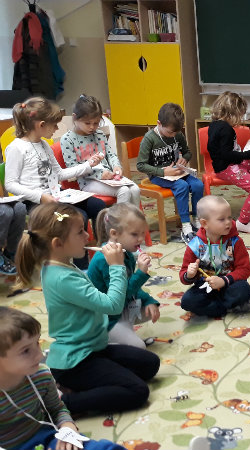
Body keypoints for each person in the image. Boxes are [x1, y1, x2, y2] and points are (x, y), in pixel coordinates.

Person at [15, 203, 160, 415]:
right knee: (138, 391)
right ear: (58, 243)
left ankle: (87, 384)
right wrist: (117, 267)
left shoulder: (62, 264)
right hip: (75, 361)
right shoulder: (62, 278)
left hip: (94, 348)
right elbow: (112, 306)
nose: (87, 236)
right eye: (80, 231)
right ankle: (61, 403)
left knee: (150, 363)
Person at [0, 307, 126, 450]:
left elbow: (57, 409)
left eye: (37, 343)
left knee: (101, 448)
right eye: (25, 351)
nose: (40, 355)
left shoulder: (41, 376)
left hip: (48, 437)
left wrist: (68, 427)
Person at [5, 97, 106, 270]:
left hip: (55, 195)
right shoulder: (16, 148)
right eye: (55, 125)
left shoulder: (44, 145)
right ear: (41, 125)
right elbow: (10, 184)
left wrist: (88, 165)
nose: (57, 129)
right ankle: (82, 268)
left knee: (99, 206)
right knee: (79, 217)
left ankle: (103, 253)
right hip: (33, 202)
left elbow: (59, 174)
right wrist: (40, 196)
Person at [87, 203, 160, 349]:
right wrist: (140, 273)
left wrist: (148, 300)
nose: (141, 239)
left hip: (119, 309)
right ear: (114, 234)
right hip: (104, 319)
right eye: (134, 234)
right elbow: (119, 296)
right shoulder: (104, 260)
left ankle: (123, 331)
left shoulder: (126, 253)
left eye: (142, 233)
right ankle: (106, 340)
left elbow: (129, 287)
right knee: (139, 348)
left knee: (151, 309)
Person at [207, 91, 250, 233]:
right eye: (240, 115)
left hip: (235, 163)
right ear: (233, 113)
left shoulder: (216, 125)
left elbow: (225, 151)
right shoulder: (225, 129)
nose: (241, 118)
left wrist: (243, 155)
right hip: (227, 168)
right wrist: (247, 154)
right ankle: (242, 222)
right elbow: (226, 155)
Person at [136, 102, 204, 244]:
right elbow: (141, 165)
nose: (173, 135)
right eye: (169, 132)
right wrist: (162, 171)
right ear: (159, 123)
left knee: (198, 185)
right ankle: (186, 226)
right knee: (182, 187)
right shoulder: (149, 139)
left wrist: (185, 159)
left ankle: (197, 219)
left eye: (175, 133)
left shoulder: (177, 134)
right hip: (158, 175)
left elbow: (187, 152)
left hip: (178, 172)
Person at [179, 195, 250, 317]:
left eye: (229, 217)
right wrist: (189, 275)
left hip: (230, 283)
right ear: (205, 223)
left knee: (243, 290)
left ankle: (217, 307)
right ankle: (226, 307)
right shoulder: (194, 245)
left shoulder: (235, 242)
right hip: (206, 286)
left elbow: (245, 269)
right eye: (221, 219)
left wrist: (224, 281)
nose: (228, 222)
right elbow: (183, 276)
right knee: (187, 301)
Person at [60, 94, 141, 206]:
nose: (92, 127)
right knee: (124, 191)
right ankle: (118, 218)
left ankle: (133, 217)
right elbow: (73, 168)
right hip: (88, 181)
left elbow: (111, 155)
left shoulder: (99, 134)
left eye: (96, 123)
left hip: (109, 177)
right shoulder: (68, 139)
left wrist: (116, 166)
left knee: (135, 189)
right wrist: (99, 174)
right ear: (75, 118)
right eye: (87, 123)